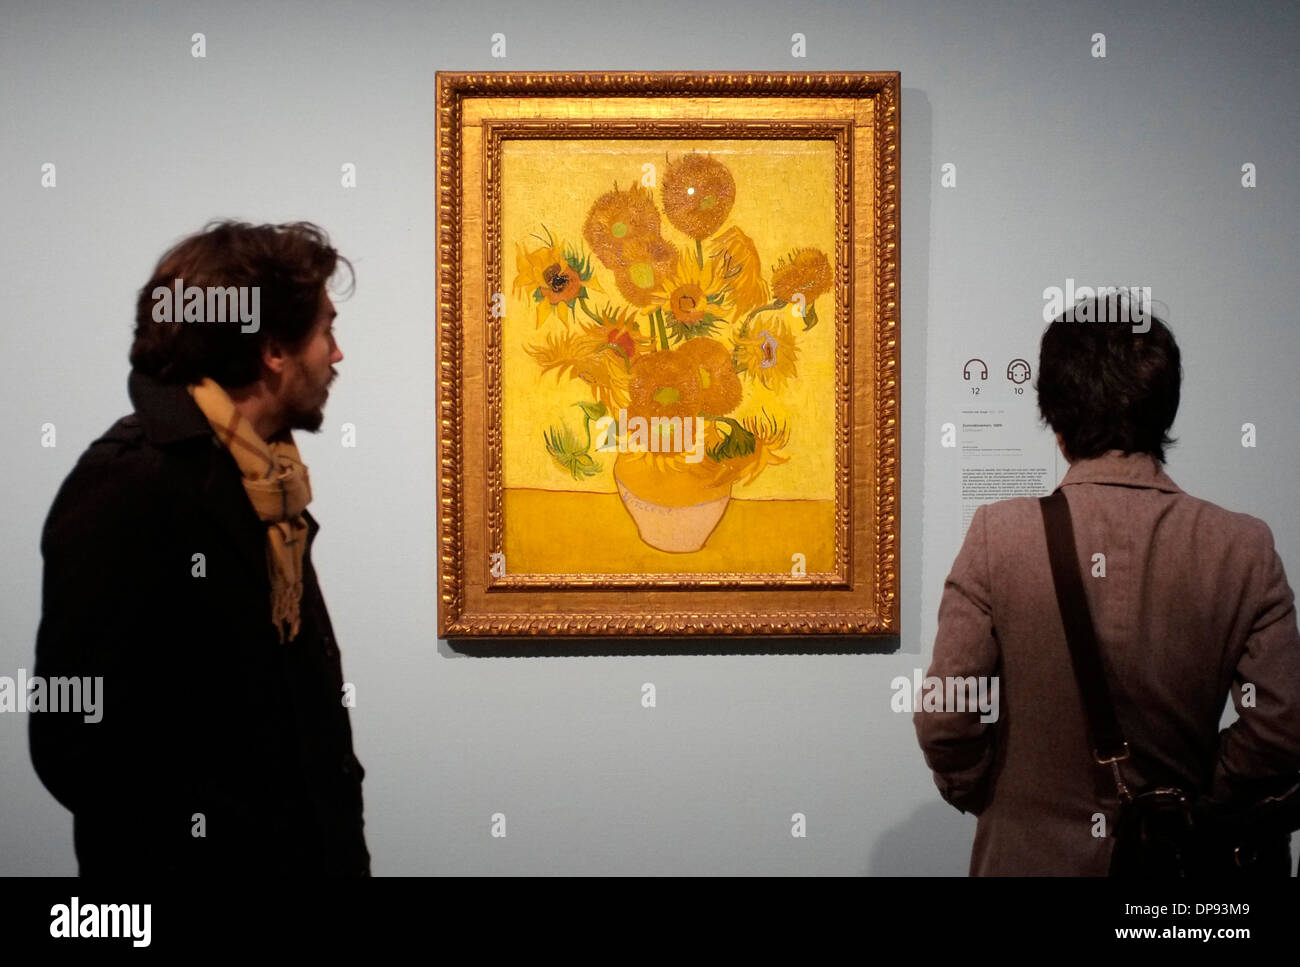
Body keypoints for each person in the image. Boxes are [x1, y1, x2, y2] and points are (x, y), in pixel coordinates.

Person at [914, 294, 1300, 875]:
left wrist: (998, 795)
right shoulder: (1243, 547)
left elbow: (947, 717)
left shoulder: (1000, 535)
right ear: (1165, 409)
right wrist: (1187, 801)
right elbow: (1283, 726)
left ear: (1054, 414)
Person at [30, 220, 370, 875]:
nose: (337, 355)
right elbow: (71, 740)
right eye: (326, 330)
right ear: (273, 349)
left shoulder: (271, 484)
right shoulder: (129, 484)